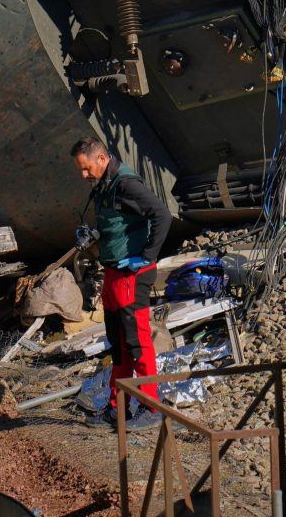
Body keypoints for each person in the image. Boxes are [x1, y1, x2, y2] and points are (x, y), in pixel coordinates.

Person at [71, 136, 171, 430]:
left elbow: (162, 214)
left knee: (137, 342)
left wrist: (147, 256)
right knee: (119, 345)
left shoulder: (127, 183)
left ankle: (152, 408)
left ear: (101, 159)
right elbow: (119, 223)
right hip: (115, 272)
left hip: (132, 275)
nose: (84, 175)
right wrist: (94, 235)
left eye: (87, 168)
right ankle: (119, 408)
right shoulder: (104, 185)